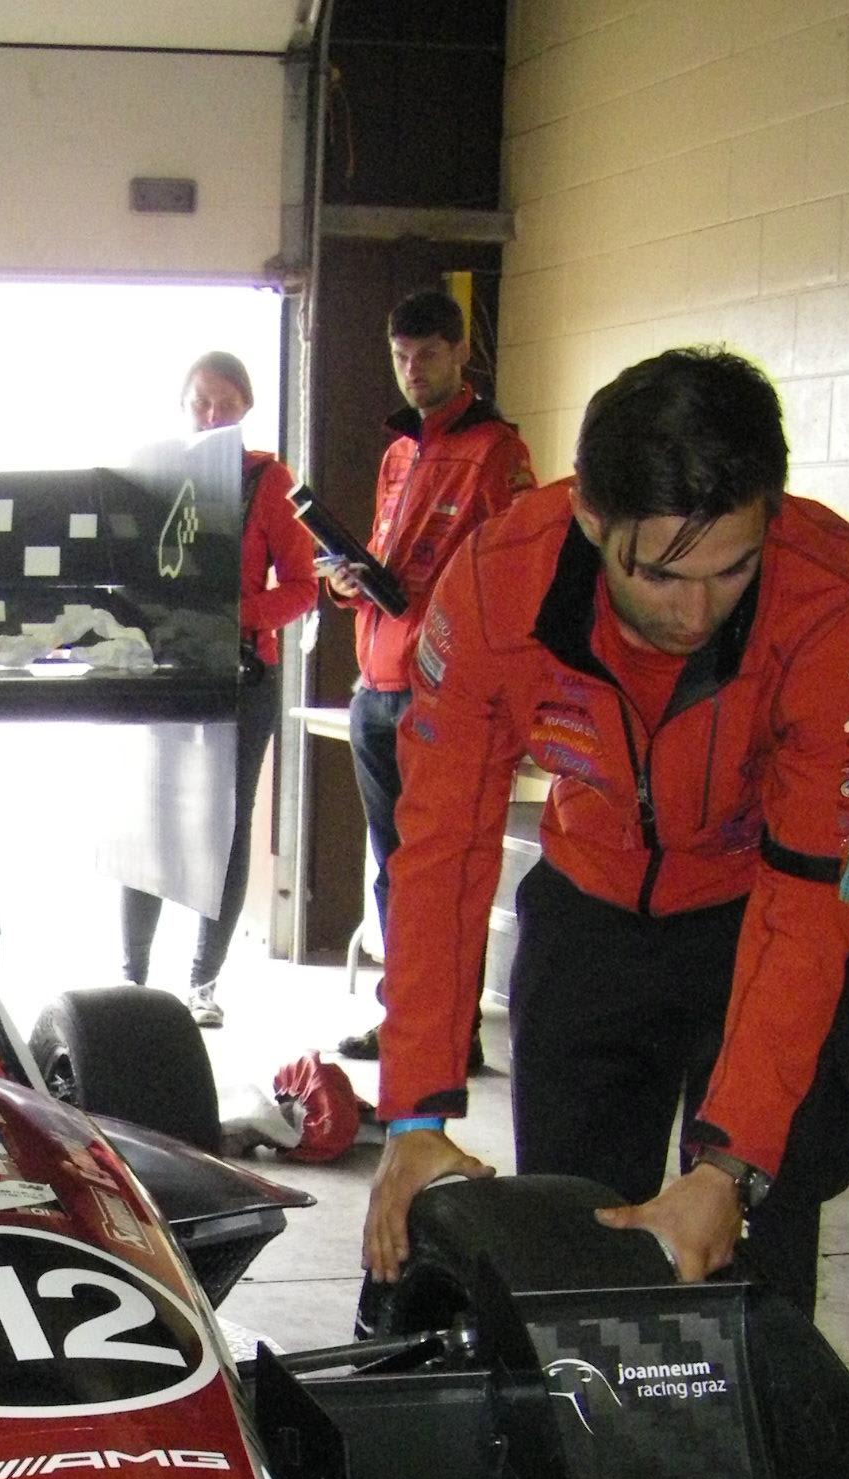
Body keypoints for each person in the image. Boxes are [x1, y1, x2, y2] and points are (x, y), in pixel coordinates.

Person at [362, 346, 849, 1319]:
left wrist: (732, 1166)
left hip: (759, 911)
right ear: (594, 521)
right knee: (574, 1243)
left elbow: (815, 893)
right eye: (664, 573)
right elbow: (439, 856)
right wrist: (414, 1114)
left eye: (732, 570)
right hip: (592, 904)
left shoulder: (832, 600)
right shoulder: (496, 586)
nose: (696, 610)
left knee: (758, 1231)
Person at [329, 288, 534, 1060]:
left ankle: (451, 1033)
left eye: (427, 355)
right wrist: (347, 580)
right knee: (394, 872)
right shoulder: (398, 453)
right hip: (376, 687)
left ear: (460, 354)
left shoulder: (496, 450)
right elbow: (388, 555)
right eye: (401, 357)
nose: (413, 370)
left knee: (443, 870)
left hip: (445, 695)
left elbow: (518, 571)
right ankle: (407, 1023)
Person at [121, 351, 317, 1025]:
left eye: (226, 404)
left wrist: (235, 615)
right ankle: (131, 979)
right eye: (201, 401)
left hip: (241, 675)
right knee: (150, 818)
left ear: (245, 411)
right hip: (164, 671)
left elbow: (303, 587)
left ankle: (203, 981)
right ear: (183, 404)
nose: (212, 415)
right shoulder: (153, 474)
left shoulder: (268, 480)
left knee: (227, 827)